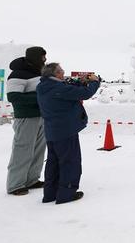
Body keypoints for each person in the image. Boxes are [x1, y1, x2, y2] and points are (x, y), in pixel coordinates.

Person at [36, 63, 100, 204]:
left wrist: (79, 83)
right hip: (65, 131)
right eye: (61, 71)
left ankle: (50, 194)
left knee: (53, 163)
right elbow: (86, 93)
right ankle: (67, 194)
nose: (64, 73)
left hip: (52, 131)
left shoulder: (43, 86)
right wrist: (95, 82)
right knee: (70, 162)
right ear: (55, 74)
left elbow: (68, 91)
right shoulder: (58, 88)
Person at [6, 46, 47, 196]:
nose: (45, 60)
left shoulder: (38, 73)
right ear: (35, 58)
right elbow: (14, 97)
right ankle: (15, 184)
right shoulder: (18, 74)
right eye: (43, 57)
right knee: (22, 150)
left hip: (41, 116)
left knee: (38, 150)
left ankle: (31, 179)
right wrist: (41, 97)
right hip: (26, 118)